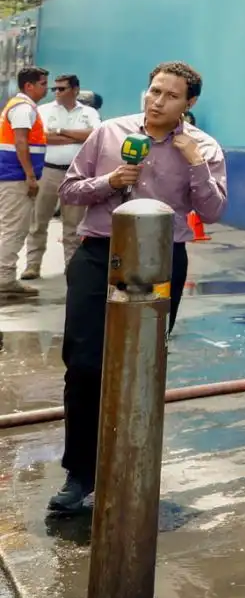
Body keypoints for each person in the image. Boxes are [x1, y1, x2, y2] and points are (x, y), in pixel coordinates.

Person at [51, 61, 226, 515]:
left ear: (189, 104)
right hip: (99, 254)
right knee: (86, 363)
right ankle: (80, 473)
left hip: (161, 259)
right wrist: (109, 181)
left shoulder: (203, 147)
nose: (156, 101)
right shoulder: (110, 133)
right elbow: (69, 191)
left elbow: (212, 211)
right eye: (153, 91)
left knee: (141, 365)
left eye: (170, 95)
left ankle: (129, 464)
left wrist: (194, 163)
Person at [21, 74, 99, 280]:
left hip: (75, 174)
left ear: (75, 90)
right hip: (48, 171)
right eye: (54, 89)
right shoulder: (43, 111)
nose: (56, 93)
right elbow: (42, 138)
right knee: (38, 221)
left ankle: (71, 267)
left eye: (61, 89)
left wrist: (61, 132)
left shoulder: (88, 112)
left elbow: (93, 135)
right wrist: (75, 135)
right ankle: (32, 265)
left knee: (73, 225)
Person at [0, 65, 49, 298]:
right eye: (43, 84)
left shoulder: (20, 106)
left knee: (9, 226)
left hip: (10, 176)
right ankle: (5, 278)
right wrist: (30, 176)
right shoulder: (23, 108)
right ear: (28, 86)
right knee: (14, 228)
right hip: (16, 177)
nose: (46, 89)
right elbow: (21, 142)